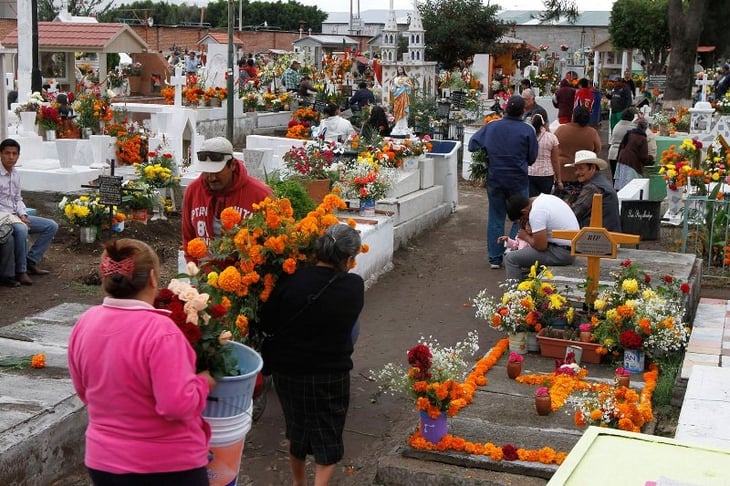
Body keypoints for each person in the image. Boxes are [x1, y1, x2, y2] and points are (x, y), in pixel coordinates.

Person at [68, 238, 216, 485]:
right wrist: (202, 384)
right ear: (153, 278)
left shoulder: (86, 322)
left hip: (104, 462)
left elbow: (85, 390)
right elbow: (175, 405)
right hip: (167, 466)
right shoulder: (161, 331)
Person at [258, 223, 365, 486]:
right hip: (329, 372)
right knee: (328, 434)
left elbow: (267, 321)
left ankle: (298, 483)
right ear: (348, 259)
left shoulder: (291, 280)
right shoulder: (353, 287)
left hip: (288, 370)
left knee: (296, 429)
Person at [468, 95, 538, 269]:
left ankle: (494, 258)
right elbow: (532, 158)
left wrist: (488, 151)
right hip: (518, 181)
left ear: (505, 108)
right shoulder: (527, 130)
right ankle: (513, 252)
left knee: (496, 217)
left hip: (496, 179)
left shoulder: (492, 126)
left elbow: (472, 145)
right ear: (523, 111)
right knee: (520, 217)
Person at [182, 137, 272, 261]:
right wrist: (195, 273)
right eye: (207, 172)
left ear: (233, 165)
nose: (212, 178)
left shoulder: (260, 195)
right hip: (204, 276)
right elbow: (188, 239)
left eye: (217, 171)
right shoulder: (193, 191)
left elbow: (270, 246)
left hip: (246, 276)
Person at [0, 138, 58, 286]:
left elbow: (18, 199)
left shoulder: (16, 174)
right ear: (1, 154)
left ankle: (30, 261)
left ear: (18, 155)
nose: (11, 157)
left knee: (51, 226)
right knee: (21, 229)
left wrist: (23, 214)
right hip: (3, 217)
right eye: (7, 153)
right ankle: (21, 271)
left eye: (14, 154)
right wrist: (17, 219)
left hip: (16, 215)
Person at [504, 193, 579, 281]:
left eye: (522, 218)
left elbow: (541, 246)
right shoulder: (545, 198)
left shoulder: (536, 212)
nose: (524, 221)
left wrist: (525, 237)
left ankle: (514, 294)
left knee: (511, 259)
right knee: (523, 256)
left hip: (562, 253)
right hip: (570, 247)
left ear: (524, 211)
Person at [553, 106, 602, 202]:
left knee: (561, 203)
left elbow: (552, 148)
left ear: (573, 116)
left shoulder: (561, 130)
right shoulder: (592, 132)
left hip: (562, 173)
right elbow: (598, 149)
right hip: (583, 174)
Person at [567, 150, 621, 231]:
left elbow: (574, 214)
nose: (577, 173)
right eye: (576, 169)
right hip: (607, 234)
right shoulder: (601, 182)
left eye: (581, 169)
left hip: (598, 238)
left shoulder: (592, 187)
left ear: (592, 168)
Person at [614, 117, 653, 191]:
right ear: (645, 128)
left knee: (621, 185)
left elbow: (621, 146)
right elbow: (643, 156)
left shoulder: (629, 133)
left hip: (622, 159)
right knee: (630, 187)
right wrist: (650, 159)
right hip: (631, 163)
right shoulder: (642, 138)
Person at [528, 113, 561, 197]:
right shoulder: (552, 138)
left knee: (532, 200)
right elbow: (555, 160)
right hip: (546, 174)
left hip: (529, 173)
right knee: (545, 199)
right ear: (545, 123)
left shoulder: (528, 136)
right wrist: (559, 179)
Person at [608, 107, 637, 180]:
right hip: (624, 156)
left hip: (613, 154)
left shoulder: (617, 126)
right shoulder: (633, 128)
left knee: (615, 179)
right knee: (624, 181)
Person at [391, 66, 412, 133]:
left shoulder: (406, 78)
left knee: (403, 110)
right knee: (397, 110)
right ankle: (397, 125)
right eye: (398, 69)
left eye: (401, 69)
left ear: (403, 70)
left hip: (403, 96)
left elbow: (411, 87)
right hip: (397, 96)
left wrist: (406, 85)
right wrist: (393, 85)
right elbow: (393, 89)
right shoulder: (395, 78)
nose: (400, 70)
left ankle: (404, 126)